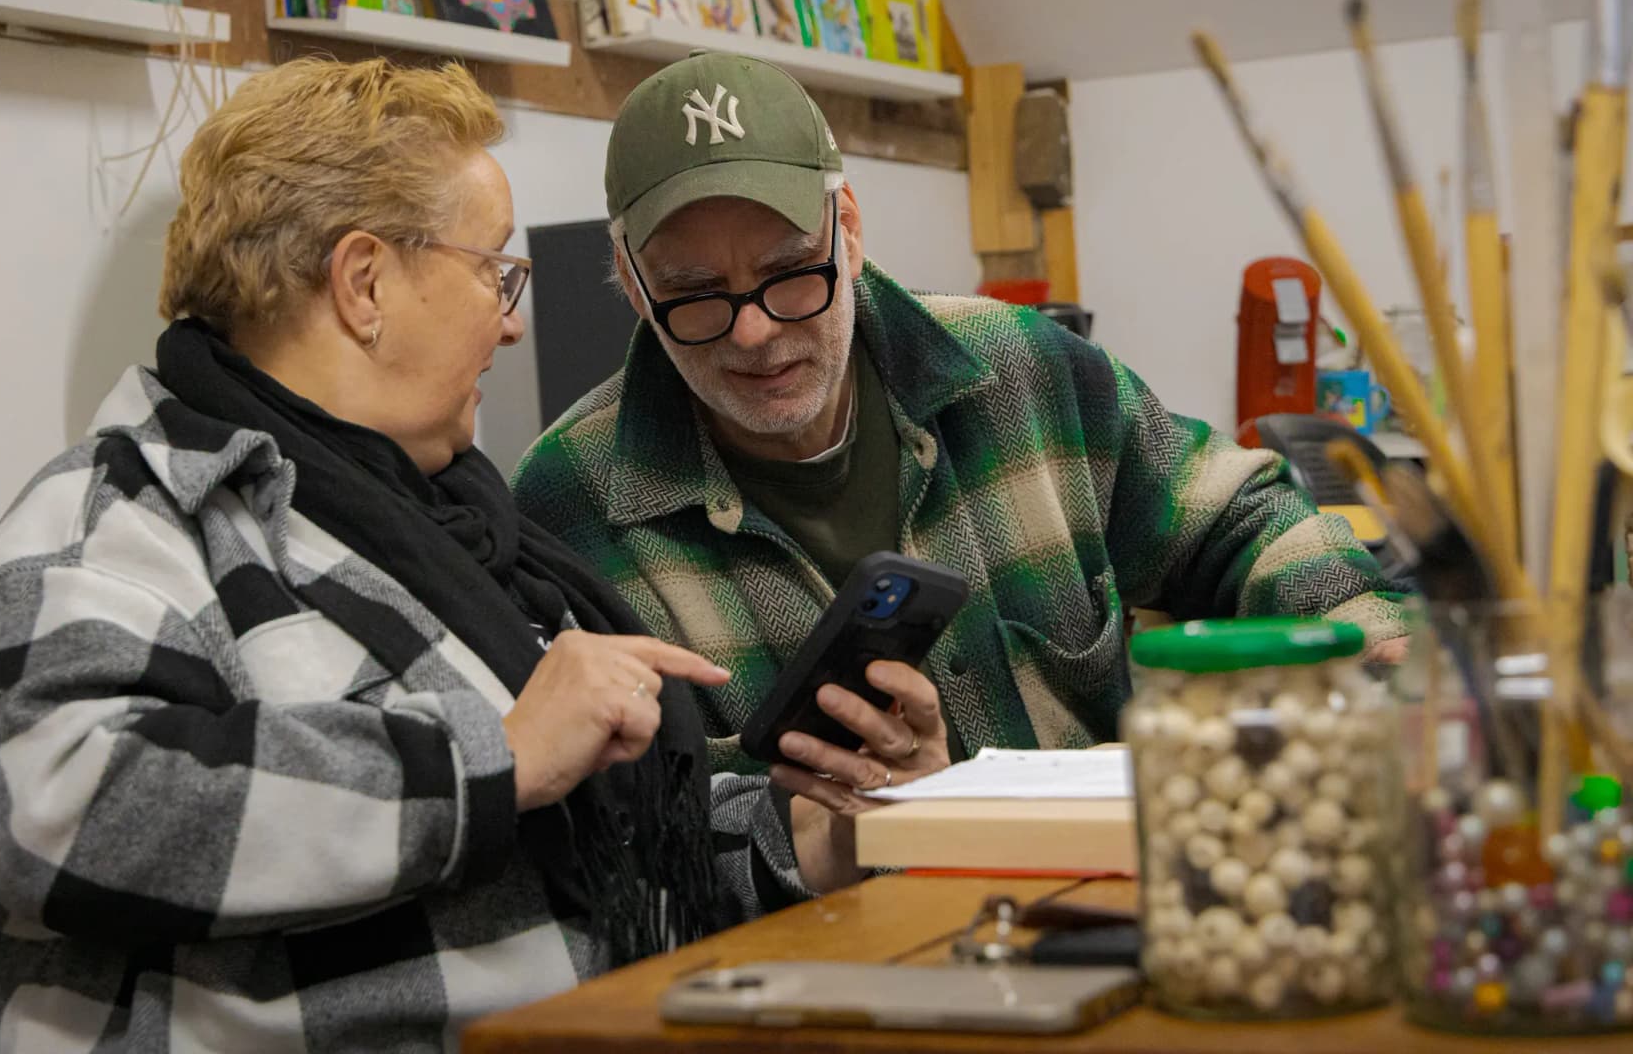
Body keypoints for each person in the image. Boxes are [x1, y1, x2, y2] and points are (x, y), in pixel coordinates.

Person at [0, 58, 928, 1053]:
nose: (509, 326)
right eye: (495, 271)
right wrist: (497, 756)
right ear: (365, 282)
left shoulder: (449, 535)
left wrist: (819, 841)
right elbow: (57, 806)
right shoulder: (124, 517)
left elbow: (596, 850)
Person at [512, 52, 1406, 811]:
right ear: (632, 286)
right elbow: (635, 836)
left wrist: (1365, 637)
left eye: (791, 275)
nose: (754, 332)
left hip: (1091, 903)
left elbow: (1236, 515)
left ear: (848, 233)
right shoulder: (570, 504)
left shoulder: (1021, 369)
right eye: (696, 296)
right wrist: (875, 816)